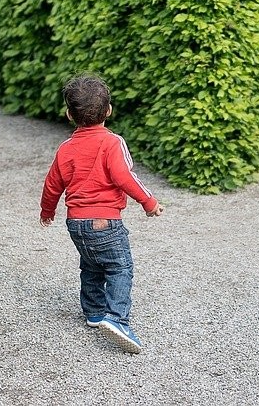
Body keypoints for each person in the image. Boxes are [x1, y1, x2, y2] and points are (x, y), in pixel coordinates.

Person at [40, 74, 163, 354]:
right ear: (109, 110)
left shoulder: (66, 148)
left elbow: (52, 184)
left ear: (69, 114)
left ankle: (94, 312)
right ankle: (117, 318)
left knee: (91, 264)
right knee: (120, 267)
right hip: (105, 221)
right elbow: (125, 177)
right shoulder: (112, 142)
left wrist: (47, 211)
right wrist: (148, 201)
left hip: (75, 222)